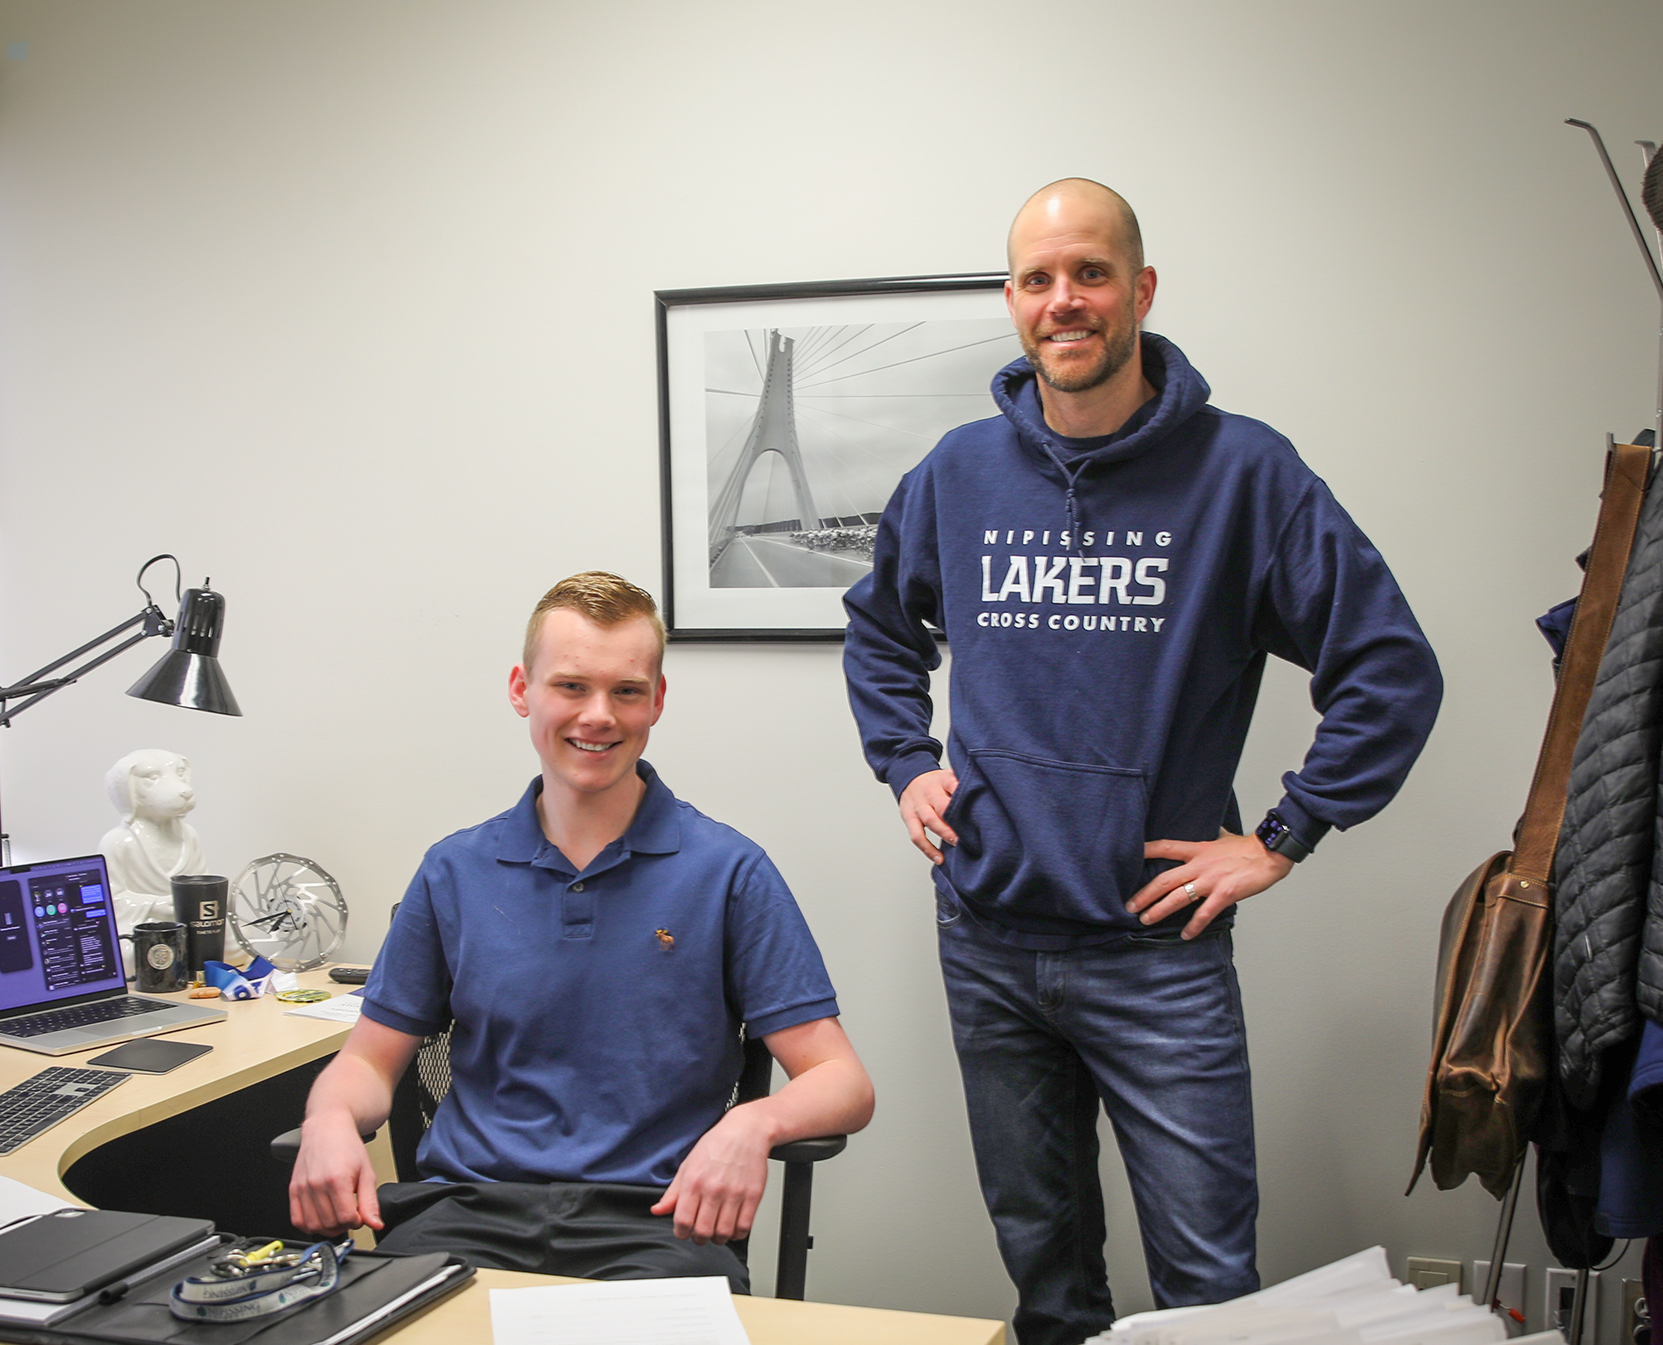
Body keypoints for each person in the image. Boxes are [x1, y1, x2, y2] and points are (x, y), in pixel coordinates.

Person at [842, 179, 1441, 1345]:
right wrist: (903, 758)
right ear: (1011, 302)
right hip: (990, 940)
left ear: (1140, 290)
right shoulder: (958, 474)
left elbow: (1389, 669)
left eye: (1090, 273)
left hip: (1156, 955)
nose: (1064, 301)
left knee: (1210, 1291)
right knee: (1048, 1286)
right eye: (1037, 278)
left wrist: (1281, 836)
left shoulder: (1245, 474)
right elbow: (878, 630)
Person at [290, 571, 873, 1288]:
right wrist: (326, 1120)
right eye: (570, 686)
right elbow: (368, 1063)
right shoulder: (454, 869)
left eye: (625, 690)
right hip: (465, 1215)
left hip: (657, 1225)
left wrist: (749, 1126)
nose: (597, 714)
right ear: (520, 689)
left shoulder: (728, 871)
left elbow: (841, 1080)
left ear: (656, 700)